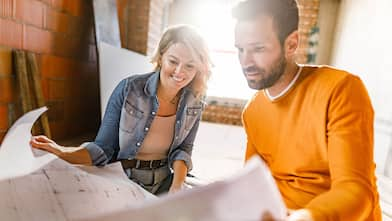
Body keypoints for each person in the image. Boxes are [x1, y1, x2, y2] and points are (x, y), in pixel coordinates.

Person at [232, 0, 381, 220]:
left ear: (292, 44)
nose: (246, 61)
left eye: (258, 49)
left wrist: (308, 216)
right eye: (240, 49)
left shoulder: (341, 89)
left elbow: (356, 191)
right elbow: (253, 184)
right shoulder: (253, 110)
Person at [31, 25, 212, 195]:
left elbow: (183, 150)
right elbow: (103, 149)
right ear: (161, 57)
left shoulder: (195, 100)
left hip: (166, 180)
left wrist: (177, 185)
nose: (180, 72)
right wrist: (61, 151)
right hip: (125, 179)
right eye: (173, 61)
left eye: (190, 65)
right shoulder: (129, 89)